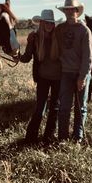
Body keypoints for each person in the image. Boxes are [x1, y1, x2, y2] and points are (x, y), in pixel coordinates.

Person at [55, 0, 92, 143]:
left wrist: (82, 77)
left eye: (73, 9)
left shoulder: (84, 30)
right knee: (64, 107)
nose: (70, 12)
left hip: (80, 73)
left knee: (80, 108)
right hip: (65, 73)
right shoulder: (60, 29)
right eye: (67, 9)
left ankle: (78, 137)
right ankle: (62, 137)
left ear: (77, 11)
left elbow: (88, 57)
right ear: (64, 12)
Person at [20, 9, 61, 143]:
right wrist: (17, 56)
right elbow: (27, 57)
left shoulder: (59, 37)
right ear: (41, 23)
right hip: (43, 77)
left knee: (55, 107)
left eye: (51, 23)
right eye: (46, 23)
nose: (49, 25)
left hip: (58, 78)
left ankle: (48, 137)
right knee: (40, 108)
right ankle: (30, 137)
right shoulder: (35, 38)